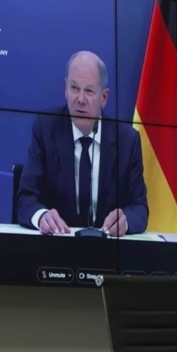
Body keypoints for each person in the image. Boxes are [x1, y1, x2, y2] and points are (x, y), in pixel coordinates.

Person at [16, 51, 148, 236]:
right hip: (56, 247)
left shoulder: (127, 140)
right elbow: (26, 198)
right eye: (74, 88)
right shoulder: (46, 128)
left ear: (104, 98)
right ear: (65, 90)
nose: (80, 99)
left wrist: (125, 221)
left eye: (89, 91)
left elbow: (139, 208)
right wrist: (41, 216)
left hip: (108, 252)